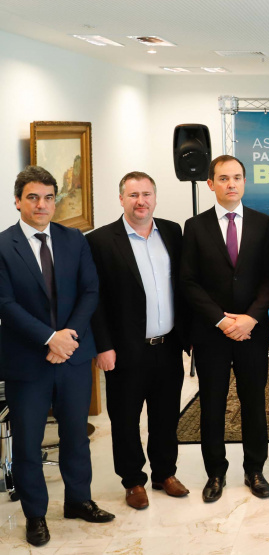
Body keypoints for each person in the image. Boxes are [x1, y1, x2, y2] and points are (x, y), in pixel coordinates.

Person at [0, 166, 114, 547]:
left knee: (76, 436)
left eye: (49, 197)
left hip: (74, 358)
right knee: (29, 443)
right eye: (33, 197)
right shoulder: (3, 246)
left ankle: (79, 500)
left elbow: (90, 292)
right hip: (27, 362)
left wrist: (68, 339)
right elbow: (5, 304)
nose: (42, 204)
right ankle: (35, 514)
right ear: (17, 201)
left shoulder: (73, 239)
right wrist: (49, 338)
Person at [88, 171, 190, 510]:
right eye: (133, 195)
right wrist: (103, 346)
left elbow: (184, 288)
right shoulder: (101, 241)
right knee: (126, 420)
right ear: (121, 199)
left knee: (166, 416)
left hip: (168, 346)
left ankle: (165, 473)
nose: (141, 201)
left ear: (155, 198)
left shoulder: (173, 233)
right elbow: (96, 300)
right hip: (125, 351)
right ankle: (133, 481)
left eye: (146, 194)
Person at [181, 155, 269, 502]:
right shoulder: (194, 226)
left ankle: (255, 470)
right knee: (212, 405)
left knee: (253, 402)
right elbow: (188, 281)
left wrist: (250, 318)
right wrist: (221, 320)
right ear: (211, 184)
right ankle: (216, 474)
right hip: (211, 334)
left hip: (253, 331)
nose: (231, 184)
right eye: (223, 178)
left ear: (244, 182)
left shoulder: (263, 223)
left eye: (237, 177)